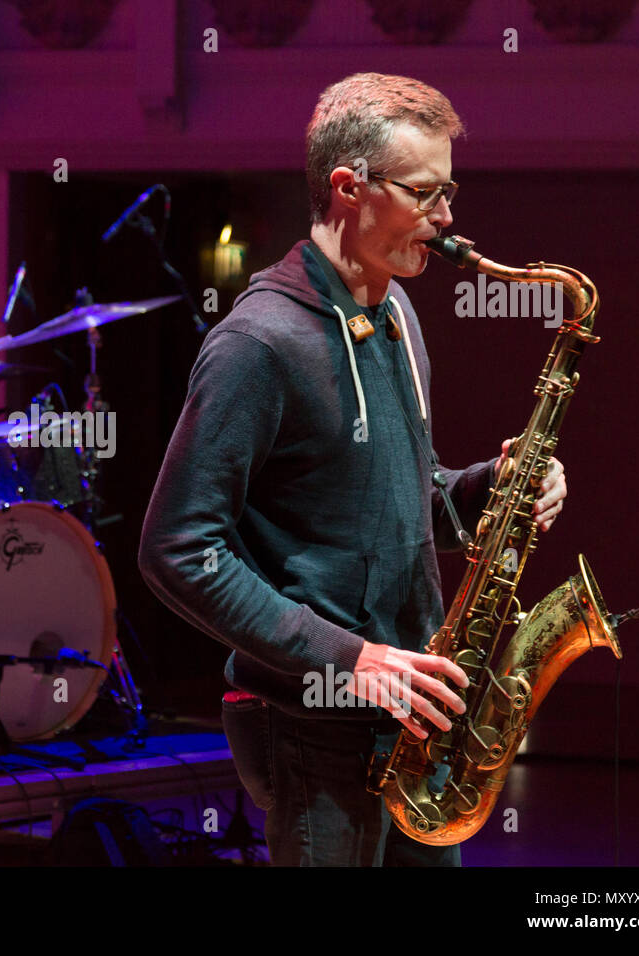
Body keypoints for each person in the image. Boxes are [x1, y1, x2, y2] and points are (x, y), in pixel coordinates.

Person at [137, 73, 567, 866]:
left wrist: (484, 490)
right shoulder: (259, 344)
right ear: (348, 188)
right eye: (425, 193)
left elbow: (397, 497)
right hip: (314, 726)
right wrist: (350, 661)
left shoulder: (396, 312)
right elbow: (177, 546)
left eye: (450, 191)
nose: (447, 221)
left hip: (414, 719)